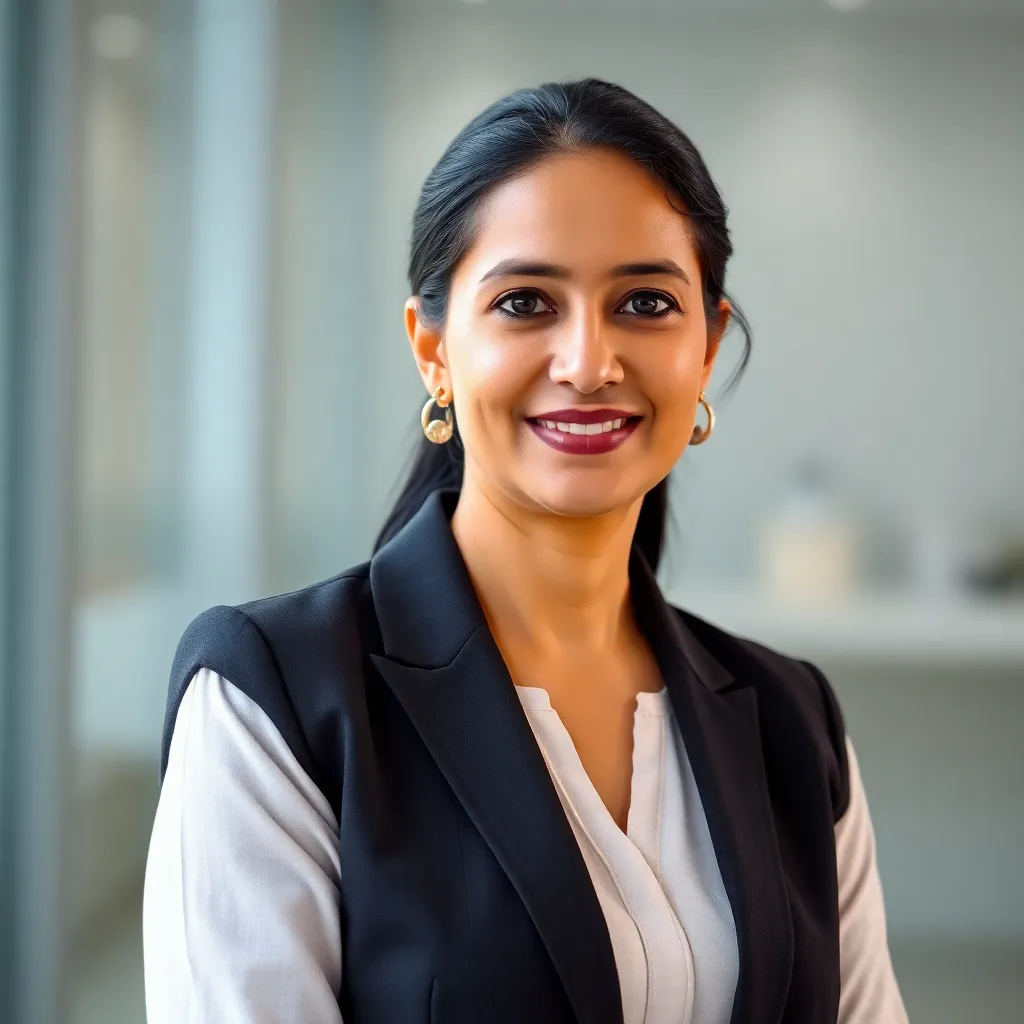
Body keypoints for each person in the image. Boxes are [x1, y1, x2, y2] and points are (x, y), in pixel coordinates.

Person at [142, 78, 908, 1024]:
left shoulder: (795, 722)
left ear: (706, 347)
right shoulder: (276, 698)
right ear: (432, 347)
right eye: (524, 302)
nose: (588, 361)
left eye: (644, 302)